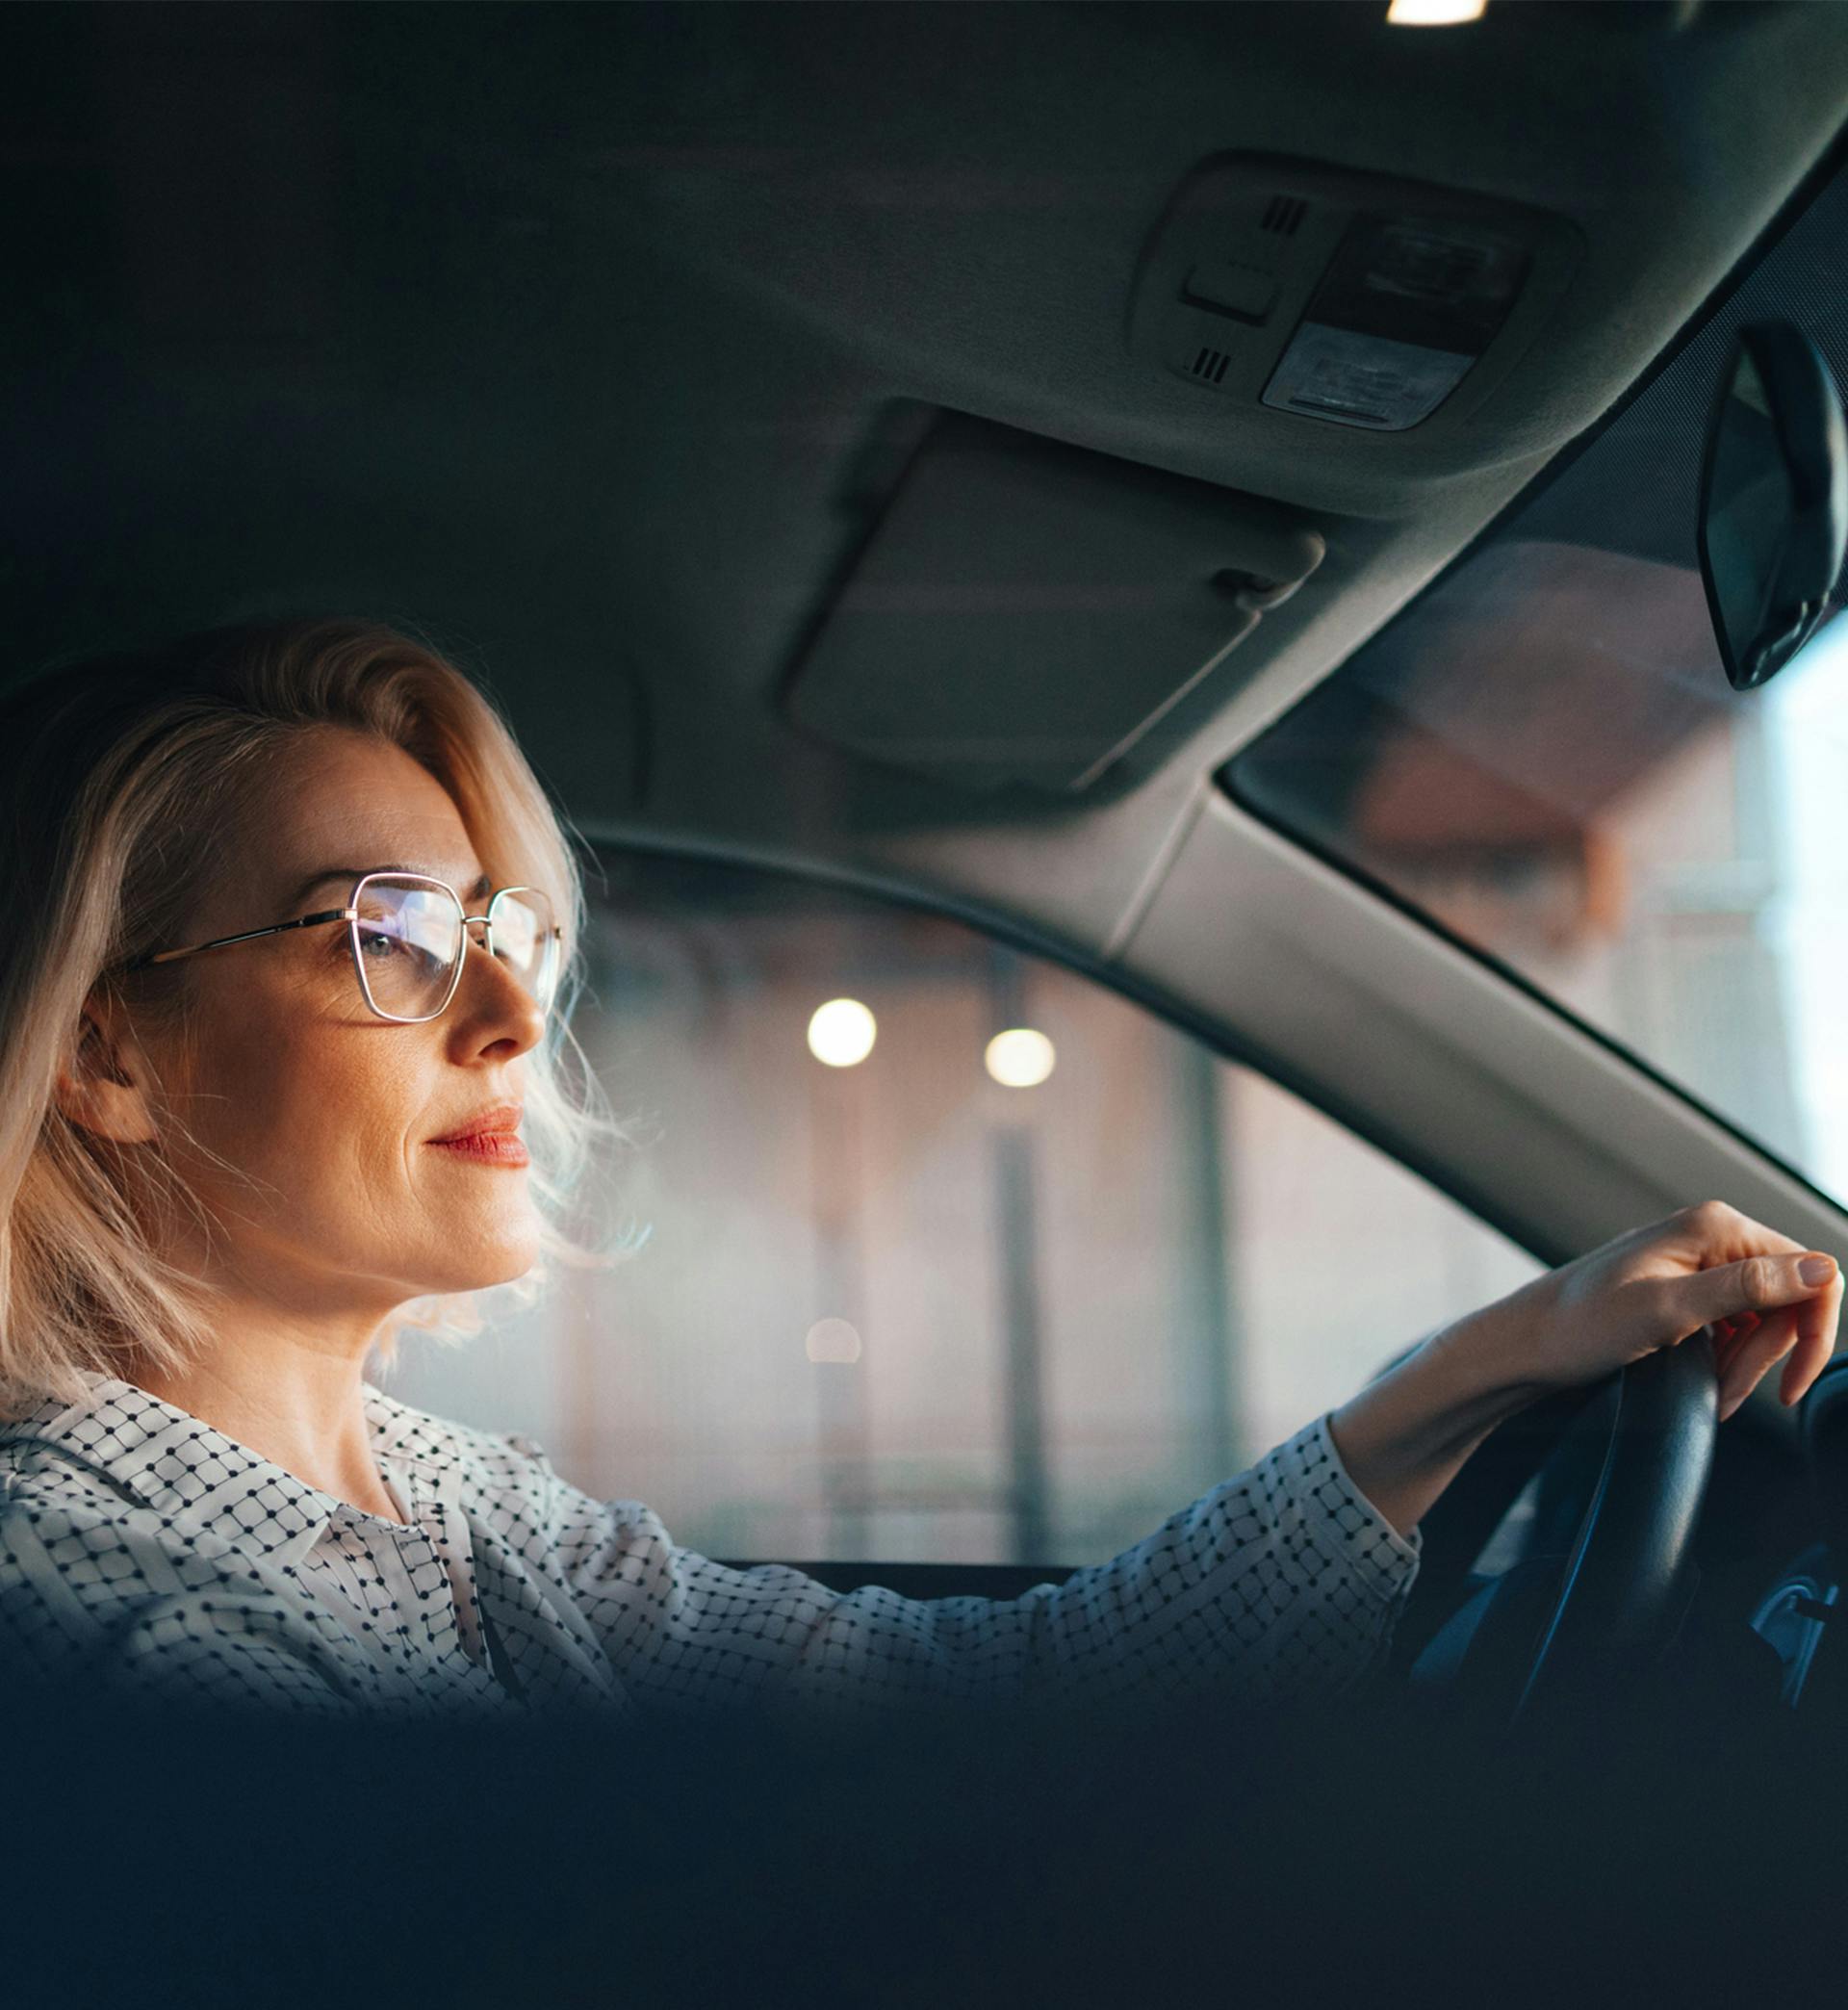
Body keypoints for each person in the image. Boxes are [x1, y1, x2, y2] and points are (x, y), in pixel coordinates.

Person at [0, 618, 1837, 1721]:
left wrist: (1484, 1364)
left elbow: (993, 1700)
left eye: (505, 932)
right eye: (388, 932)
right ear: (103, 1052)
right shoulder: (101, 1618)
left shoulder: (458, 1508)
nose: (508, 1013)